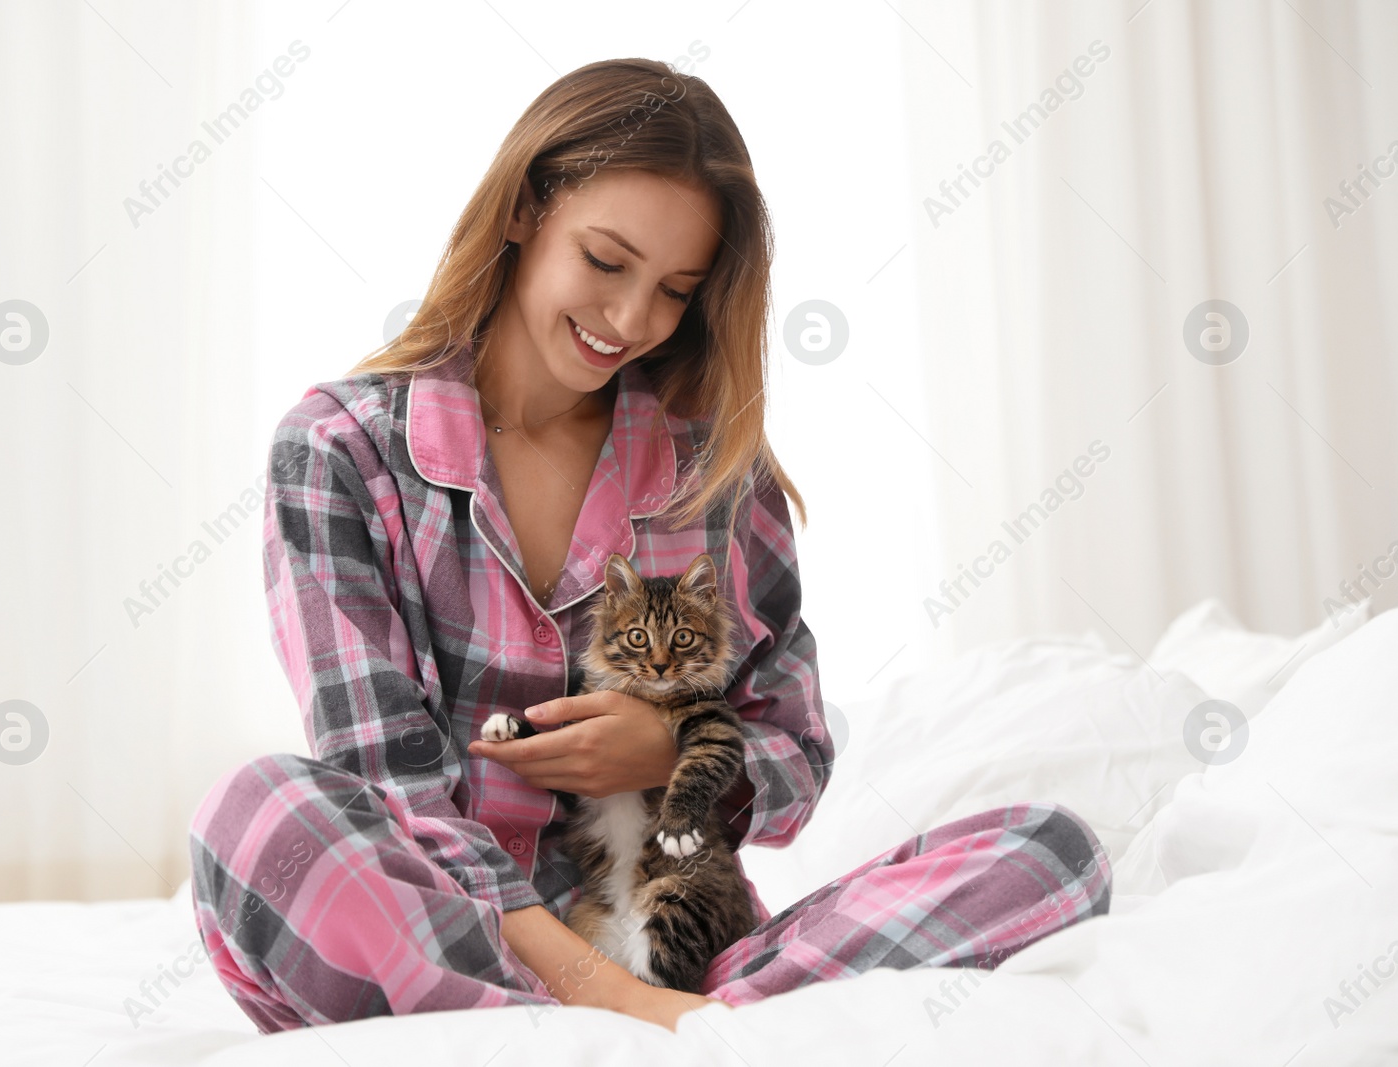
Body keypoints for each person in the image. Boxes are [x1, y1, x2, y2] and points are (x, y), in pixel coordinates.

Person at [187, 57, 1111, 1035]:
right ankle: (659, 1031)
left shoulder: (716, 470)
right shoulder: (339, 451)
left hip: (677, 942)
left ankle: (637, 1029)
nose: (631, 321)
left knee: (1048, 850)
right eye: (605, 261)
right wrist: (617, 1000)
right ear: (522, 210)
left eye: (674, 289)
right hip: (457, 932)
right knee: (260, 813)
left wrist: (671, 747)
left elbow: (794, 752)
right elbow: (385, 777)